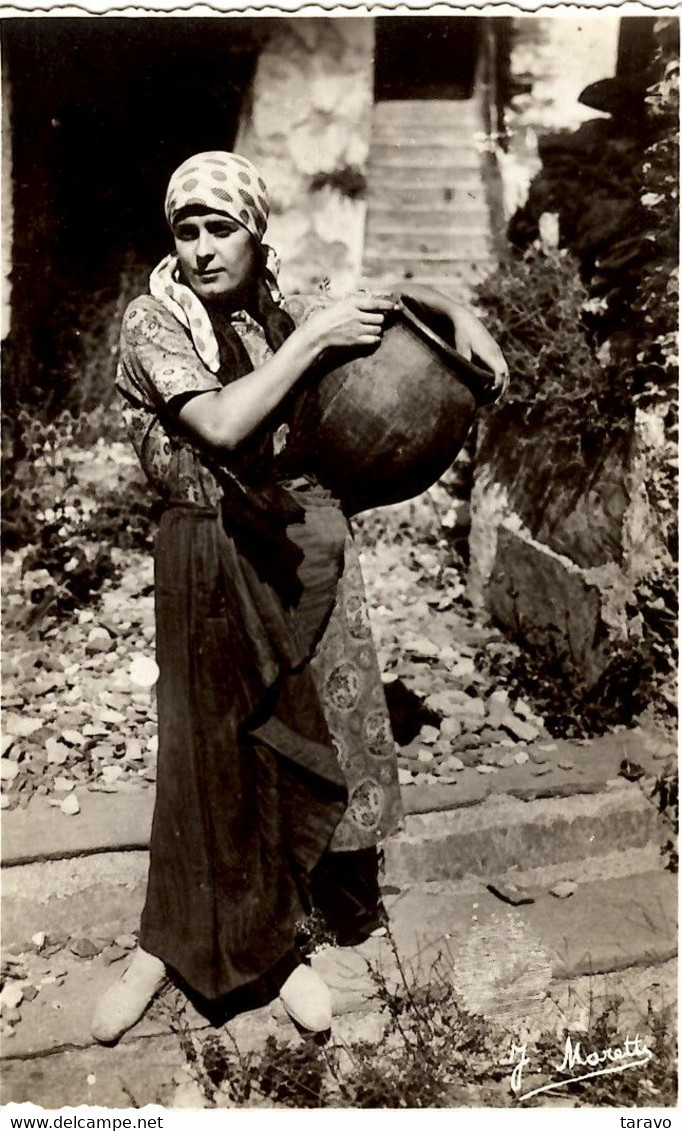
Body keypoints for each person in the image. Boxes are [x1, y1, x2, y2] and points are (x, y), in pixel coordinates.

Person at [92, 151, 507, 1044]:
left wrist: (457, 310)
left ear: (256, 234)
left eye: (221, 228)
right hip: (200, 550)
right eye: (186, 229)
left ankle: (285, 951)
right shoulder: (153, 322)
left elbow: (385, 296)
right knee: (201, 752)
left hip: (280, 543)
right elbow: (221, 423)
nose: (202, 248)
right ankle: (161, 948)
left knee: (283, 735)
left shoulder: (278, 306)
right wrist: (314, 341)